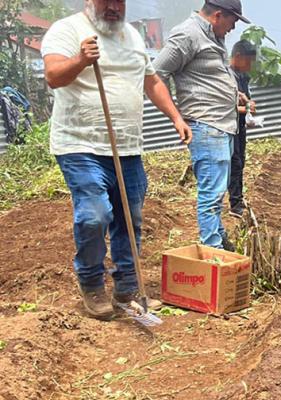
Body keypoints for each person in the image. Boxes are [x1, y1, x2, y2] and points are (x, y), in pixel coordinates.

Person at [41, 0, 192, 319]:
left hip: (127, 148)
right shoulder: (67, 30)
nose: (113, 7)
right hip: (80, 145)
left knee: (130, 217)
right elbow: (53, 76)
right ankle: (92, 283)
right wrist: (81, 59)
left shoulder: (133, 37)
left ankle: (127, 287)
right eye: (105, 1)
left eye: (119, 1)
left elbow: (152, 81)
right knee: (95, 214)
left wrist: (175, 117)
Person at [154, 0, 251, 250]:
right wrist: (177, 116)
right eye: (233, 21)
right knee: (211, 195)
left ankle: (220, 243)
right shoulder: (187, 34)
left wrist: (233, 94)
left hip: (222, 125)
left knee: (216, 193)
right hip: (207, 126)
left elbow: (207, 75)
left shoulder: (212, 36)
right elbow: (155, 74)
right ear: (218, 15)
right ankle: (213, 253)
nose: (233, 28)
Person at [228, 39, 257, 218]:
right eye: (248, 61)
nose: (250, 65)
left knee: (241, 160)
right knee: (235, 162)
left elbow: (246, 99)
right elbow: (225, 106)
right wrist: (245, 108)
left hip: (240, 124)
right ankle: (235, 204)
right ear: (238, 57)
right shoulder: (227, 77)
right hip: (229, 126)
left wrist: (250, 106)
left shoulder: (243, 77)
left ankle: (238, 198)